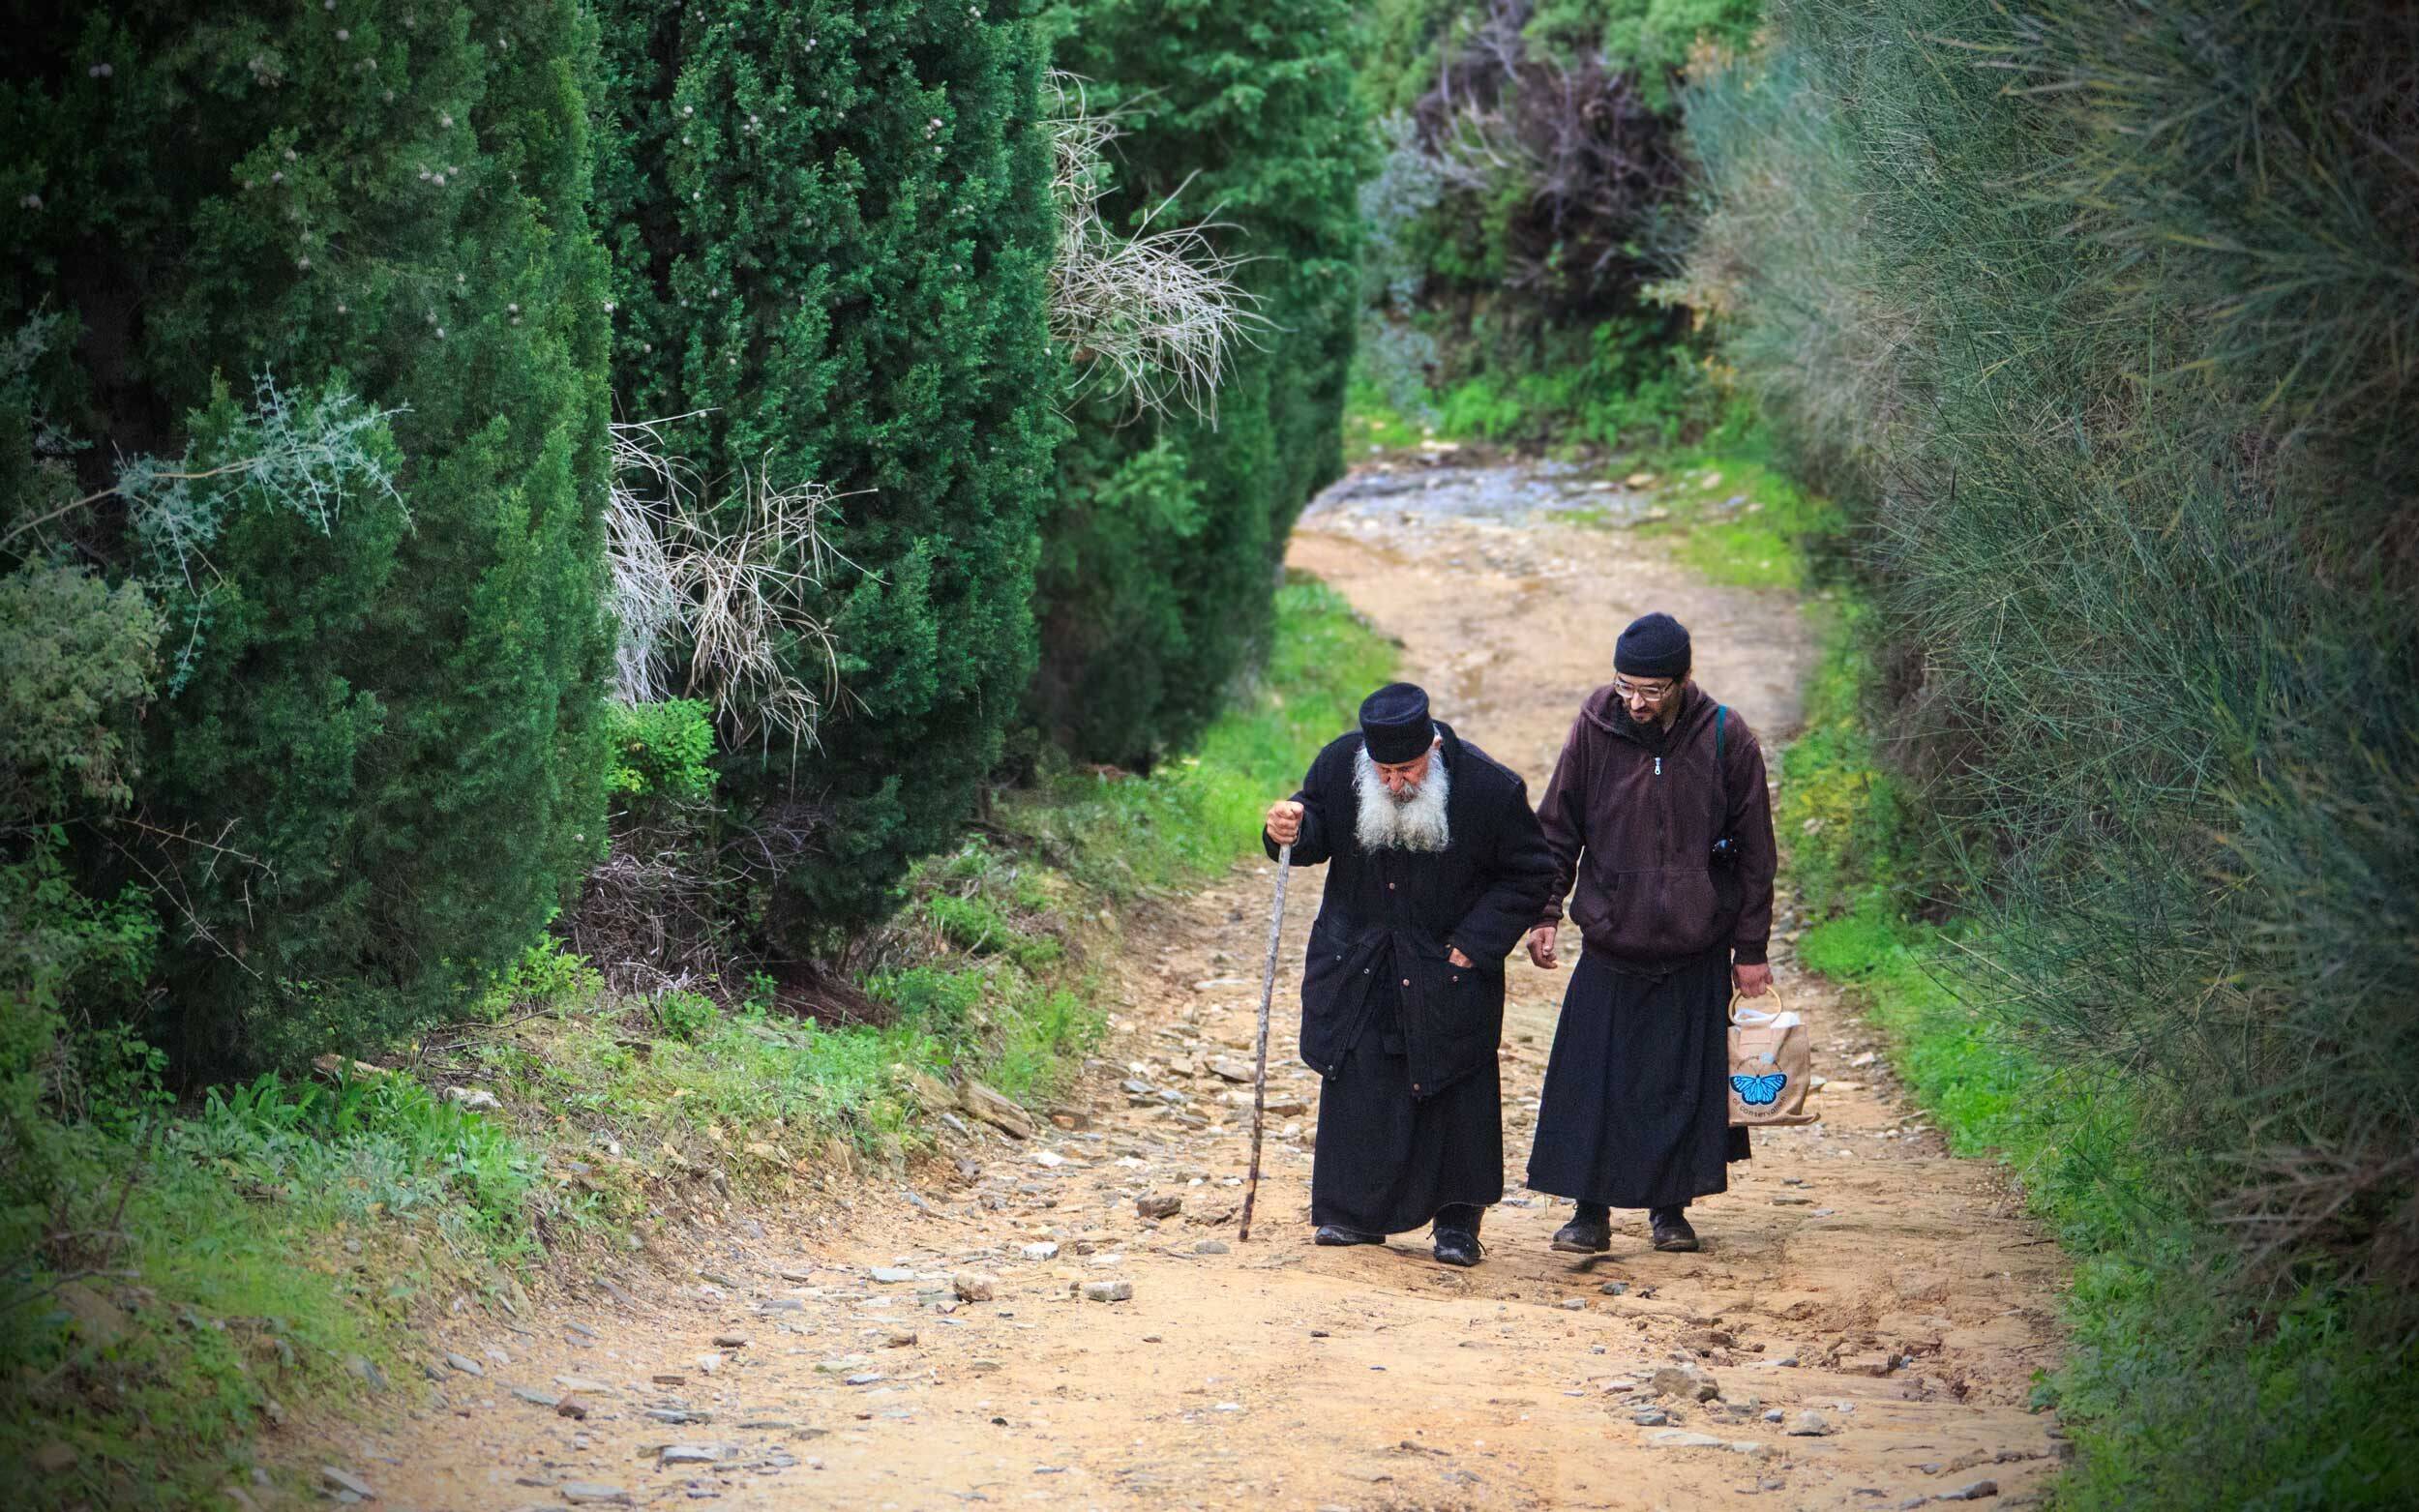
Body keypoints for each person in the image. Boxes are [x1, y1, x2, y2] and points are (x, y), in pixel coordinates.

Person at [1262, 682, 1557, 1266]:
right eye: (1385, 772)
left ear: (1435, 749)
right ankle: (1352, 1215)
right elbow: (1312, 828)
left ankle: (1457, 1225)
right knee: (1360, 1084)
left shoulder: (1488, 788)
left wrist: (1476, 942)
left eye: (1409, 770)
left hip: (1447, 965)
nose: (1396, 784)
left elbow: (1531, 872)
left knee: (1454, 1091)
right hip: (1359, 961)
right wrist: (1287, 827)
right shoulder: (1339, 764)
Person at [1522, 612, 1777, 1255]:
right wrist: (1546, 910)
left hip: (1696, 944)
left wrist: (1750, 948)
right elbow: (1557, 826)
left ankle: (1671, 1211)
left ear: (1683, 680)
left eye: (1651, 690)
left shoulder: (1725, 735)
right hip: (1613, 938)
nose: (1635, 702)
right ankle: (1589, 1212)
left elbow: (1756, 852)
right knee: (1595, 1085)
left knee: (1680, 1086)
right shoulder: (1595, 726)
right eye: (1625, 686)